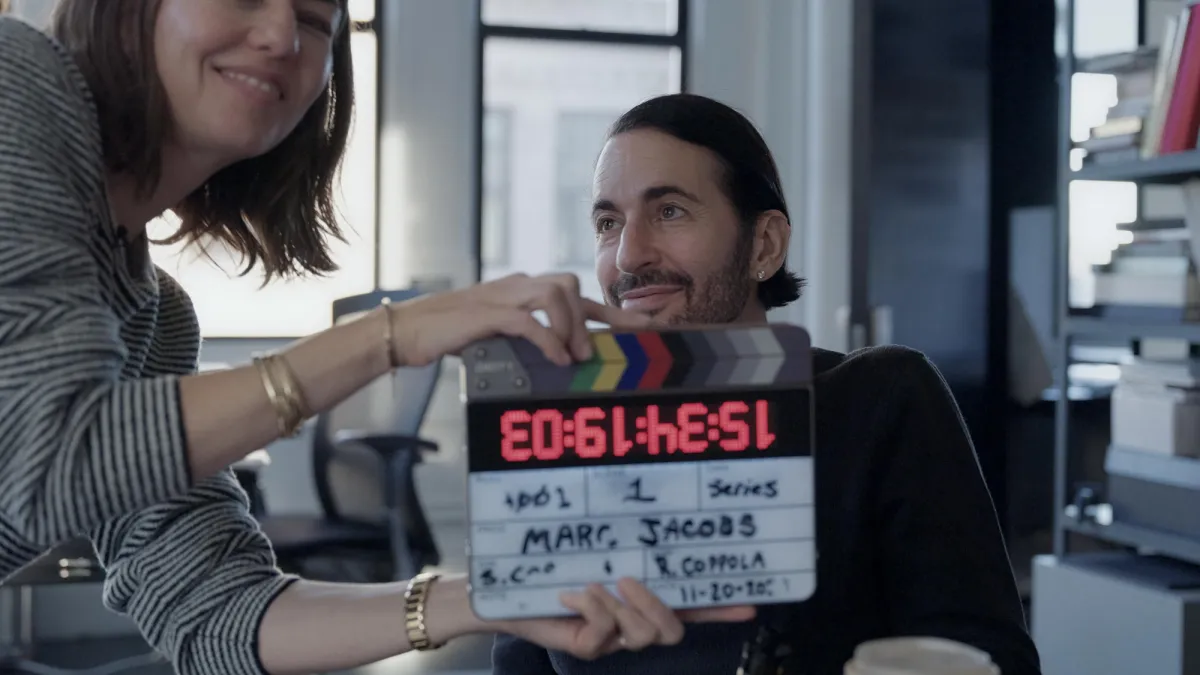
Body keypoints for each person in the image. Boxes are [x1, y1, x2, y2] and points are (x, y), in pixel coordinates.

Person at [0, 5, 754, 674]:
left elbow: (215, 615)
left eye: (315, 21)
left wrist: (491, 597)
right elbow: (52, 457)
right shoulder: (17, 82)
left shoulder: (156, 320)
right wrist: (391, 334)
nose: (278, 36)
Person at [491, 93, 1044, 675]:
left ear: (764, 245)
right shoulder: (550, 432)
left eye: (670, 211)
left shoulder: (882, 399)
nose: (629, 255)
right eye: (609, 223)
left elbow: (989, 658)